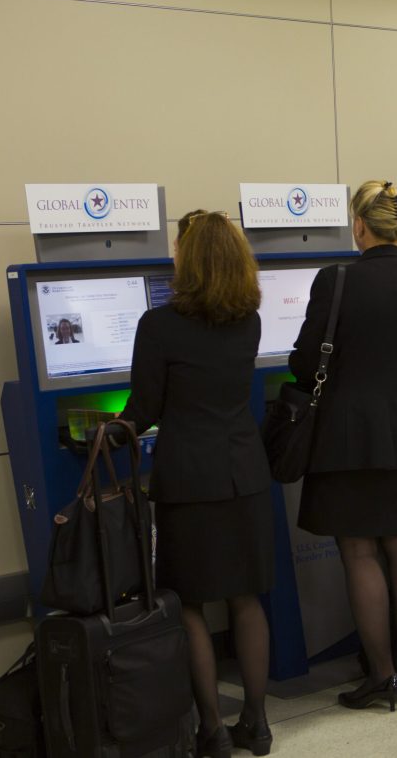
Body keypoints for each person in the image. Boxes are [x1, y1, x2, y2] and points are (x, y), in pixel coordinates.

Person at [121, 211, 275, 757]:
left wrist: (108, 433)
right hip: (245, 473)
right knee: (245, 600)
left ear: (189, 261)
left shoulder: (158, 326)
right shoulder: (249, 320)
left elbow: (142, 409)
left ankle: (212, 731)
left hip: (188, 479)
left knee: (189, 605)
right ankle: (255, 724)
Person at [290, 180, 397, 711]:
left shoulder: (335, 282)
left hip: (345, 435)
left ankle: (381, 676)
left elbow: (304, 361)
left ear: (359, 225)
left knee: (358, 551)